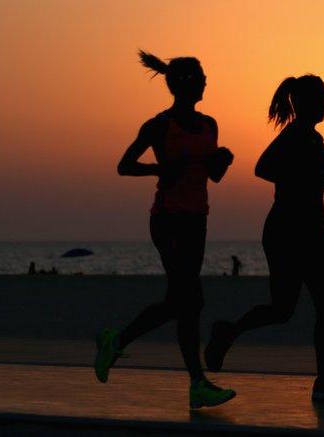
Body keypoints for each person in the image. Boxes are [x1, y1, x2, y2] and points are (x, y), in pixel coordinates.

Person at [93, 50, 236, 409]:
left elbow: (212, 176)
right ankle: (197, 383)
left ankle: (119, 340)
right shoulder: (159, 126)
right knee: (191, 300)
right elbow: (124, 166)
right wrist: (160, 171)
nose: (206, 82)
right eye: (200, 76)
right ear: (184, 84)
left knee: (183, 302)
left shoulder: (210, 125)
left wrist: (223, 161)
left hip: (197, 219)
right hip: (168, 219)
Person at [204, 74, 324, 403]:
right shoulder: (293, 135)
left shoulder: (315, 138)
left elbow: (309, 176)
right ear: (303, 103)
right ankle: (227, 333)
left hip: (315, 229)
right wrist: (315, 180)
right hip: (288, 230)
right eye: (320, 98)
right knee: (282, 309)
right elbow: (263, 168)